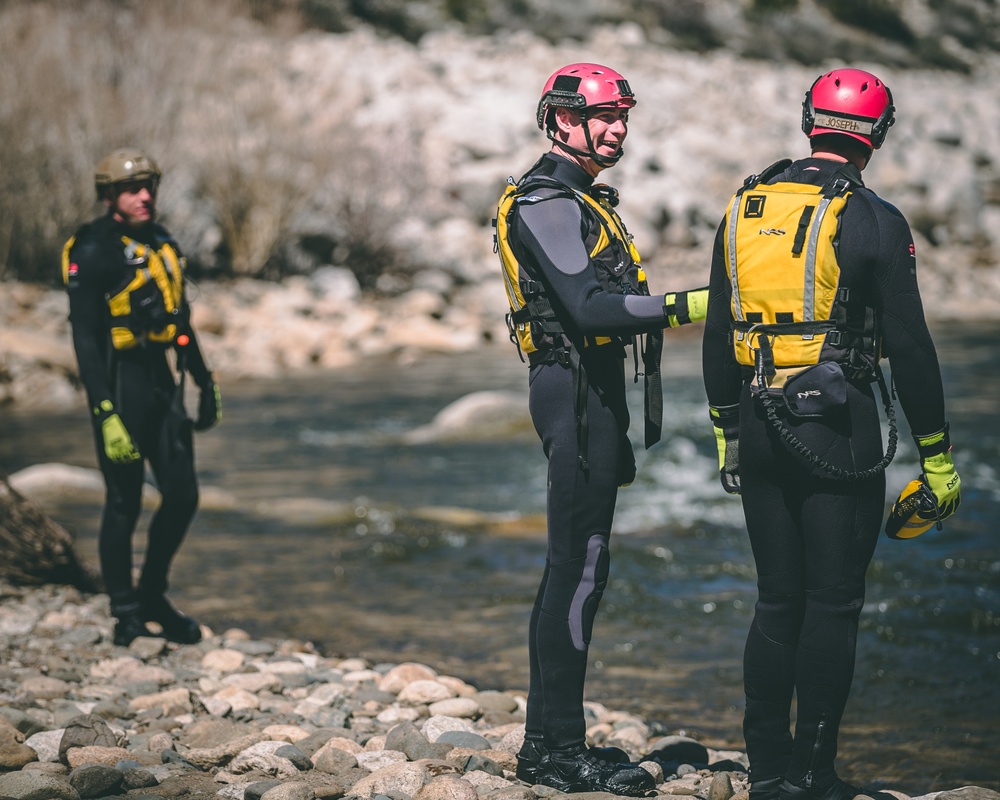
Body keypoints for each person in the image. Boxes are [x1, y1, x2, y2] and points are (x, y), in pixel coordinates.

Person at [702, 69, 962, 800]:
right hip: (836, 425)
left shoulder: (745, 207)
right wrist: (937, 456)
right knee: (834, 602)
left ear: (808, 121)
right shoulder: (873, 218)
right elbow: (910, 348)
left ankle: (764, 775)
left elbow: (720, 332)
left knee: (776, 600)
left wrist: (726, 429)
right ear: (876, 136)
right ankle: (814, 775)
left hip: (757, 416)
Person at [495, 63, 709, 796]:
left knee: (583, 567)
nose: (617, 128)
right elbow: (588, 310)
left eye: (623, 115)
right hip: (575, 397)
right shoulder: (550, 201)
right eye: (602, 116)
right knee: (576, 570)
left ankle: (555, 740)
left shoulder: (579, 197)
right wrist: (704, 303)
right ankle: (553, 751)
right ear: (559, 119)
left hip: (592, 398)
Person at [62, 148, 221, 647]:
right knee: (123, 501)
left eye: (149, 185)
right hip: (119, 383)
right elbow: (85, 339)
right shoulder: (92, 250)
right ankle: (125, 610)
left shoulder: (160, 240)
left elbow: (181, 318)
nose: (144, 196)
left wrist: (202, 377)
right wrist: (104, 412)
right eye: (132, 189)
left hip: (161, 382)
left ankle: (153, 594)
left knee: (183, 495)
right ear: (109, 195)